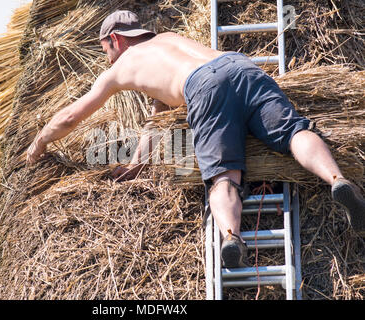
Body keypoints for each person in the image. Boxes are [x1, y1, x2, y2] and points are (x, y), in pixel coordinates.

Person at [26, 10, 365, 268]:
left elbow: (71, 116)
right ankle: (337, 179)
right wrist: (137, 162)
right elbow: (156, 117)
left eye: (105, 49)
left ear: (115, 39)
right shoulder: (170, 38)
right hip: (240, 66)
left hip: (202, 87)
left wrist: (39, 142)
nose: (107, 57)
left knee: (223, 175)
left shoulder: (118, 70)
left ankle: (232, 237)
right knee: (294, 132)